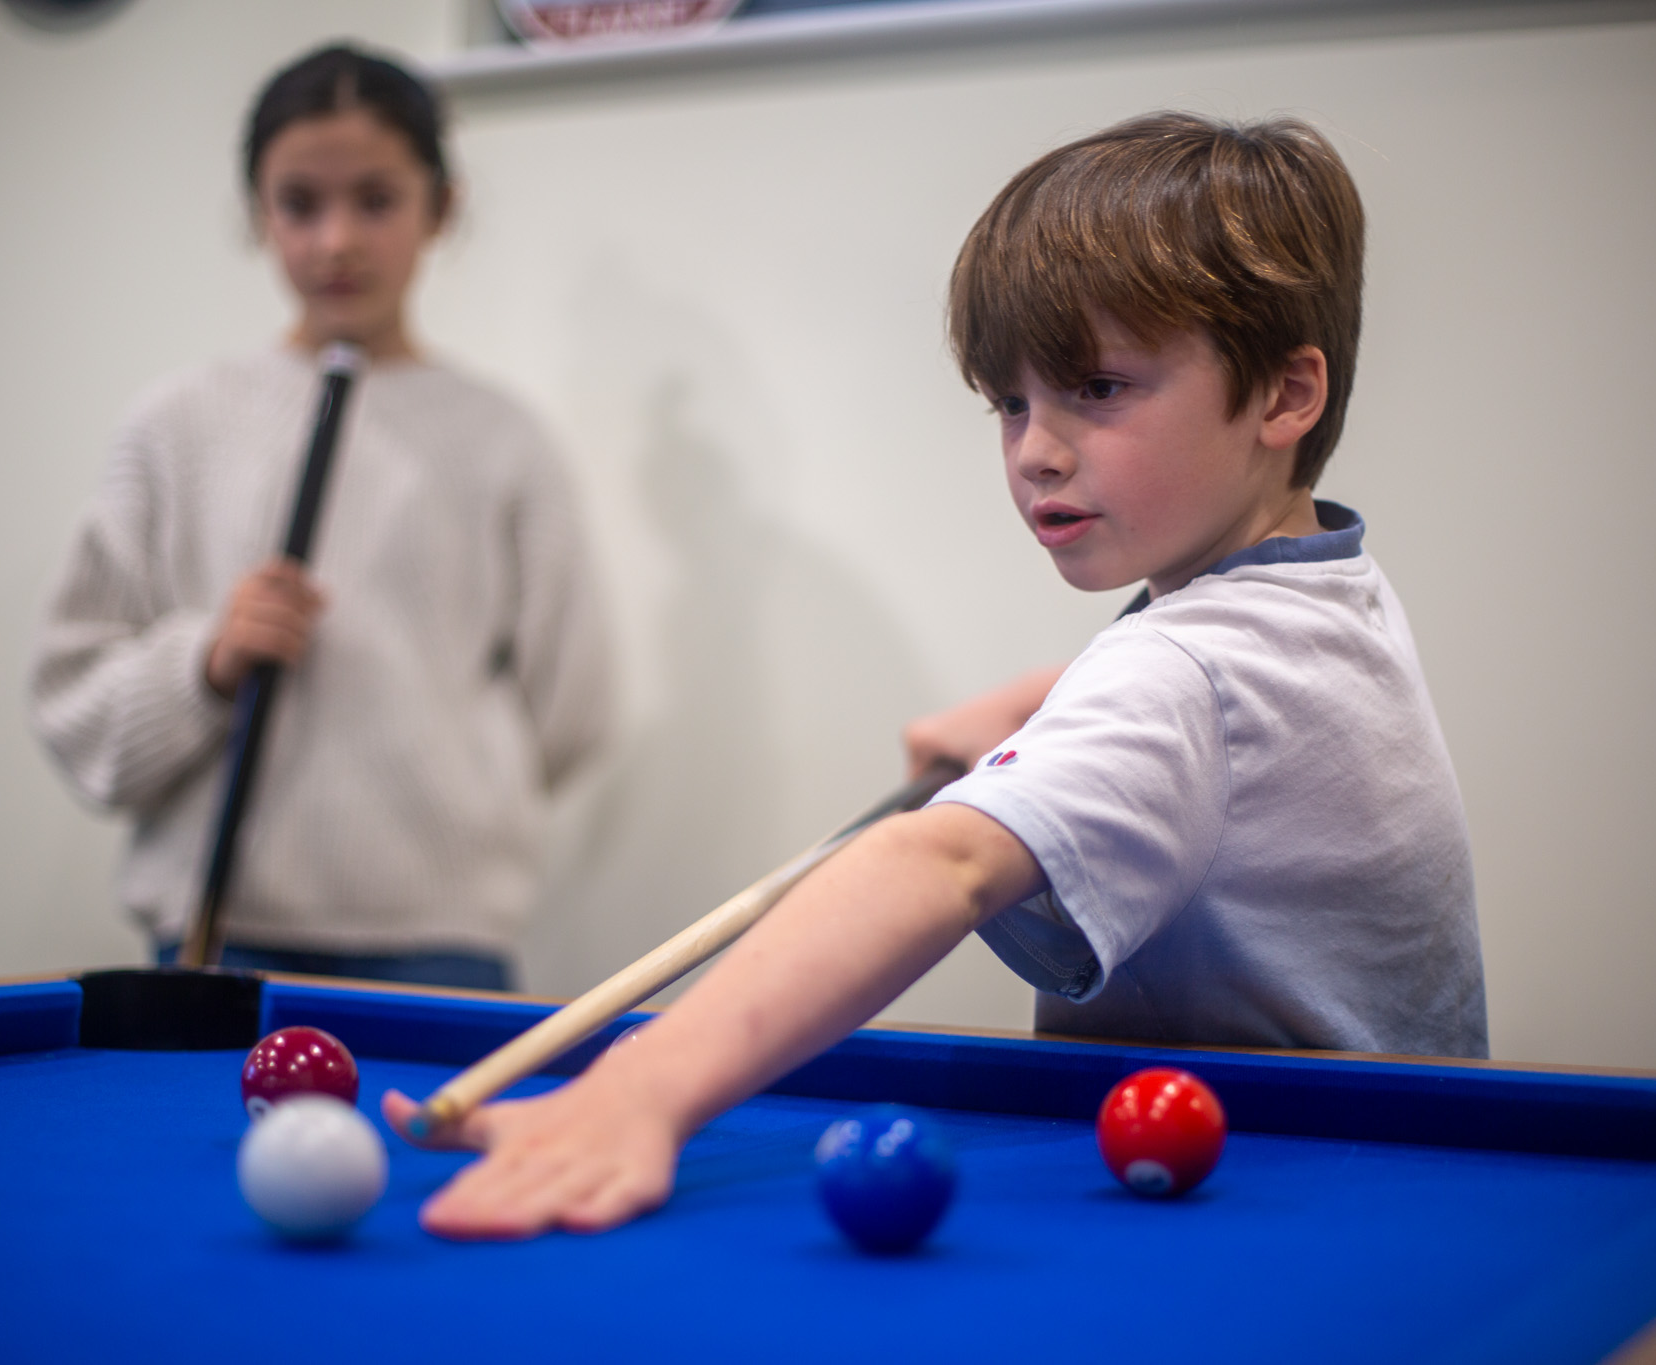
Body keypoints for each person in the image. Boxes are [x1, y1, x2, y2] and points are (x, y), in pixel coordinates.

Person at [390, 111, 1486, 1238]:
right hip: (1398, 1191)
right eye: (1009, 402)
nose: (1034, 450)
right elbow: (1232, 725)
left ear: (1281, 397)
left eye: (1097, 389)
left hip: (1259, 1220)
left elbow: (939, 860)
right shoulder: (1325, 592)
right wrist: (1044, 705)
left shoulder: (1179, 671)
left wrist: (636, 1091)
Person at [30, 45, 613, 990]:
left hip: (440, 942)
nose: (336, 240)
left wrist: (441, 796)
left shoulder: (504, 440)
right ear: (258, 212)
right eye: (300, 203)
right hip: (219, 936)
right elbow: (72, 703)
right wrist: (205, 661)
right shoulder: (175, 425)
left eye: (375, 200)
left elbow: (574, 704)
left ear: (442, 207)